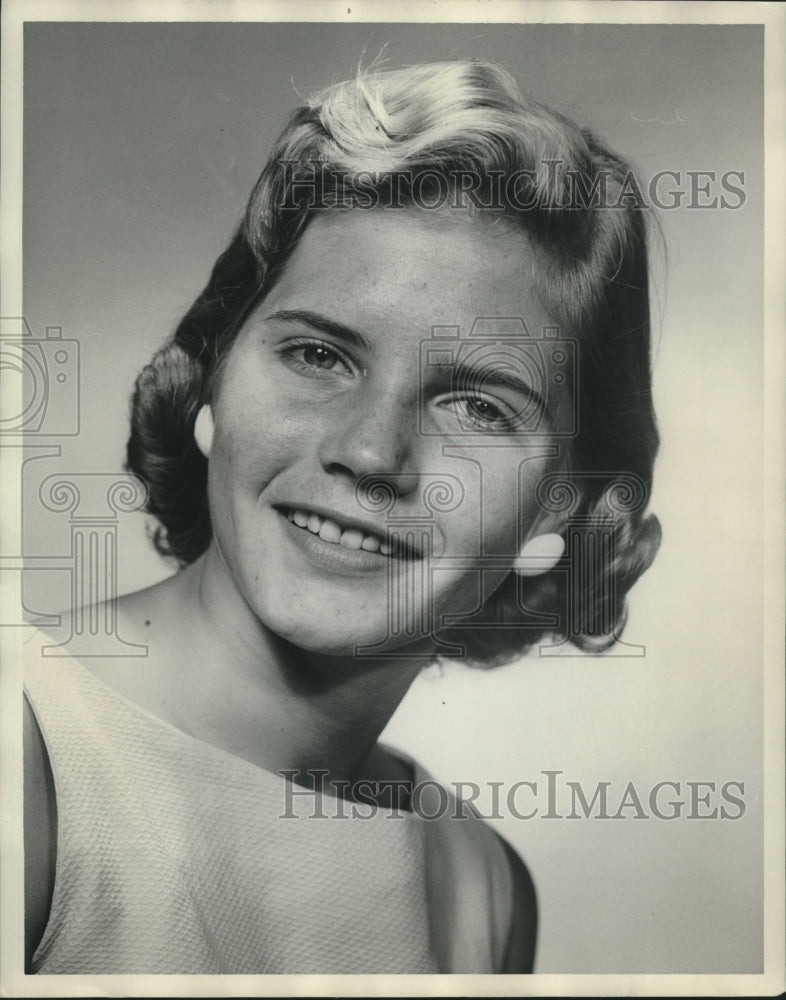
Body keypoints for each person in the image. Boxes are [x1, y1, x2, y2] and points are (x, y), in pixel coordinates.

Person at [22, 58, 661, 974]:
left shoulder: (483, 888)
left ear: (563, 500)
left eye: (479, 407)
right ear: (213, 375)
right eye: (319, 354)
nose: (369, 453)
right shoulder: (29, 753)